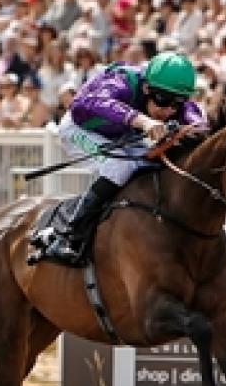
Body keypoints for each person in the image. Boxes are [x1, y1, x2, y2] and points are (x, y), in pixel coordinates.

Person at [32, 51, 208, 267]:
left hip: (122, 134)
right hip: (80, 127)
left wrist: (195, 130)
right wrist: (141, 120)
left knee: (150, 166)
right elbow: (84, 103)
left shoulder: (171, 101)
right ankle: (69, 234)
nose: (169, 110)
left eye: (177, 104)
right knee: (119, 167)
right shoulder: (123, 81)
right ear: (146, 88)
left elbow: (198, 123)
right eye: (163, 100)